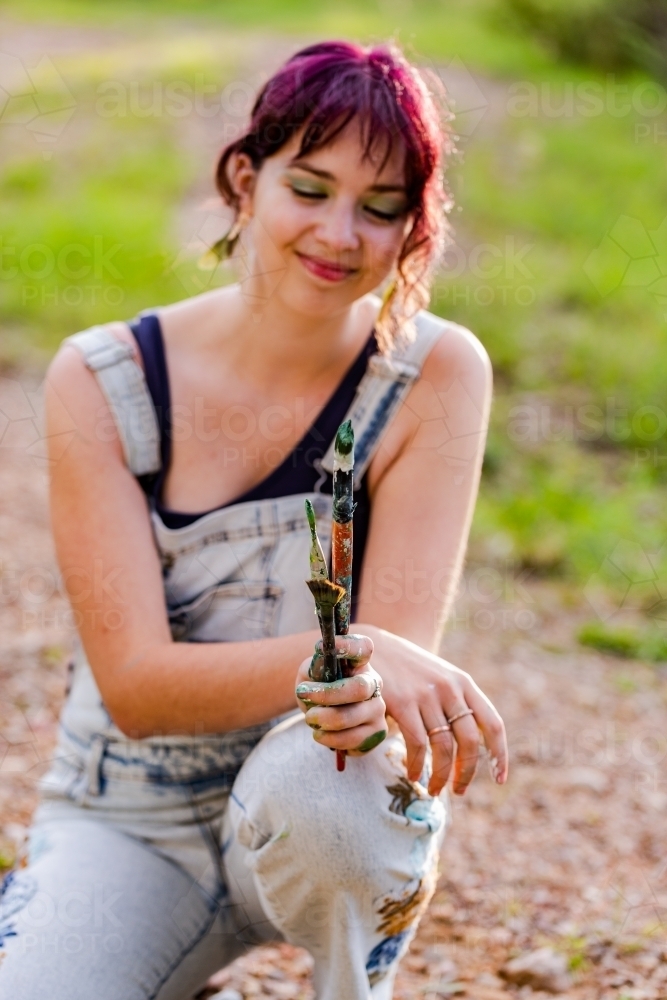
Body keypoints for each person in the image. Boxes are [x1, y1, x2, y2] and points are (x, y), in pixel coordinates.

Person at [0, 40, 508, 1000]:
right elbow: (136, 687)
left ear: (413, 226)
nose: (339, 234)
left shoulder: (433, 376)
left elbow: (378, 700)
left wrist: (364, 661)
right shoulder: (105, 379)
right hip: (130, 812)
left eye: (380, 207)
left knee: (332, 800)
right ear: (245, 179)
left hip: (318, 784)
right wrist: (351, 649)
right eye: (308, 189)